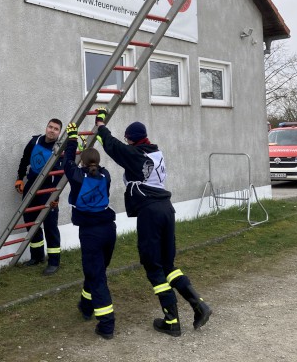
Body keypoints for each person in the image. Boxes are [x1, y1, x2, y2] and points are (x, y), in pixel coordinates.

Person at [94, 108, 211, 337]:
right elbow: (123, 149)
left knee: (152, 264)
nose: (127, 141)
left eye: (129, 138)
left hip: (150, 212)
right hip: (166, 209)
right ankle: (200, 305)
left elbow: (114, 147)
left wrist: (100, 126)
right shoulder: (156, 152)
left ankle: (172, 321)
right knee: (168, 264)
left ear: (132, 139)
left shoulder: (137, 156)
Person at [62, 122, 116, 340]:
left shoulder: (77, 176)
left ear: (82, 163)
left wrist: (72, 137)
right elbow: (95, 168)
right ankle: (86, 305)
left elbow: (67, 161)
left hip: (90, 232)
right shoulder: (106, 175)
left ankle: (106, 324)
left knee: (97, 275)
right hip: (109, 230)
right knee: (96, 270)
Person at [15, 118, 63, 276]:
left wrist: (56, 195)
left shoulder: (60, 148)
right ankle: (37, 256)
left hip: (49, 190)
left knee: (50, 225)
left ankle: (54, 262)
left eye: (56, 129)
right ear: (46, 127)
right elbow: (24, 160)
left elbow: (63, 175)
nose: (52, 130)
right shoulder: (34, 142)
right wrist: (20, 178)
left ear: (59, 133)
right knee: (29, 220)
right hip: (31, 186)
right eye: (50, 127)